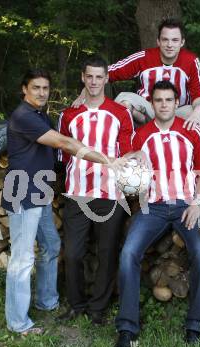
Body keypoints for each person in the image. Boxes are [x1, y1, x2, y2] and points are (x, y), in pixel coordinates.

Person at [2, 68, 125, 335]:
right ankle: (18, 322)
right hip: (23, 191)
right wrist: (106, 159)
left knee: (51, 245)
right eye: (36, 88)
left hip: (40, 191)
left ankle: (47, 301)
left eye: (45, 88)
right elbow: (64, 143)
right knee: (22, 259)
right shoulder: (24, 116)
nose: (42, 93)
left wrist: (83, 96)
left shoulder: (39, 114)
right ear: (24, 90)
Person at [114, 80, 200, 347]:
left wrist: (197, 203)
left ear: (176, 102)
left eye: (169, 100)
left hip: (185, 206)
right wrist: (135, 156)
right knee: (128, 253)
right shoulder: (141, 134)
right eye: (159, 100)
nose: (164, 105)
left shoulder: (192, 131)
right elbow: (127, 166)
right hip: (152, 208)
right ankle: (127, 329)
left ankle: (195, 324)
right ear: (152, 103)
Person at [56, 57, 139, 325]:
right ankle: (76, 304)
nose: (93, 82)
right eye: (89, 77)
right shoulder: (68, 115)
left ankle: (98, 309)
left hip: (110, 194)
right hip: (78, 192)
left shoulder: (120, 112)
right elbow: (64, 155)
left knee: (107, 251)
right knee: (73, 253)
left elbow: (126, 153)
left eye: (98, 77)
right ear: (83, 78)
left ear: (106, 79)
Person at [74, 18, 200, 135]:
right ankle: (129, 146)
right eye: (165, 40)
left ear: (182, 42)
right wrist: (84, 92)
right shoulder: (144, 57)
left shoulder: (191, 61)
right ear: (158, 41)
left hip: (177, 111)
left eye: (175, 40)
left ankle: (195, 155)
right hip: (148, 108)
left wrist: (197, 112)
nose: (169, 45)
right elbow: (105, 73)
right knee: (123, 102)